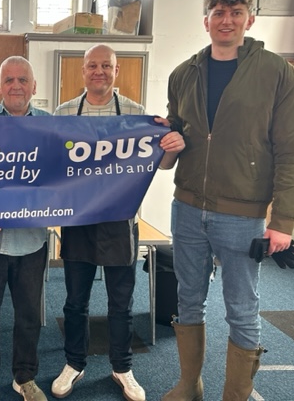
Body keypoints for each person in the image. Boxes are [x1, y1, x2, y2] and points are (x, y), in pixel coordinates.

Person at [162, 0, 294, 401]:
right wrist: (169, 142)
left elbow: (292, 153)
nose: (226, 20)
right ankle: (189, 385)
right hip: (187, 207)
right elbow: (177, 129)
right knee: (187, 299)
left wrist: (283, 221)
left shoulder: (281, 75)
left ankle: (236, 394)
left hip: (243, 215)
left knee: (242, 307)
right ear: (206, 20)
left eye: (236, 12)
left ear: (250, 19)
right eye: (219, 13)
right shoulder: (183, 74)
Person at [51, 44, 184, 401]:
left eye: (106, 66)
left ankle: (122, 367)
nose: (99, 71)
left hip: (120, 221)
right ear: (83, 71)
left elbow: (162, 163)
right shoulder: (64, 113)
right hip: (78, 220)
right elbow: (51, 164)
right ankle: (74, 363)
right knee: (75, 301)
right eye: (92, 66)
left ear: (116, 70)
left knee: (121, 303)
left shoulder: (138, 115)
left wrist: (170, 143)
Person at [0, 56, 50, 401]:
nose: (16, 86)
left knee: (29, 315)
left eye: (23, 80)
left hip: (33, 240)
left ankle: (25, 377)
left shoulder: (51, 125)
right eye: (9, 80)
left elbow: (62, 177)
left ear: (34, 86)